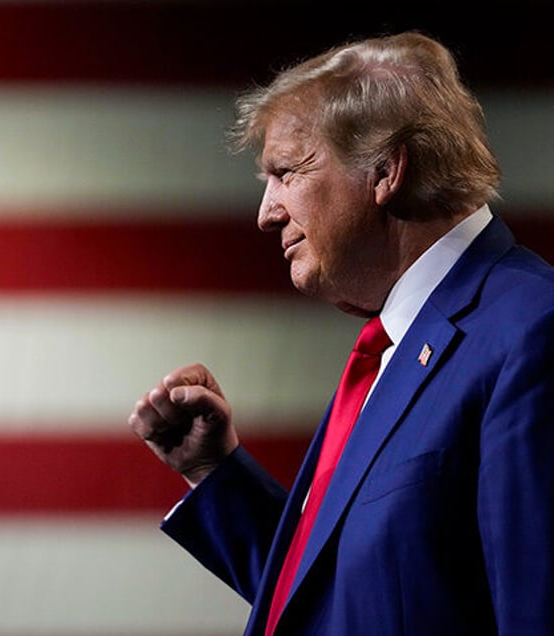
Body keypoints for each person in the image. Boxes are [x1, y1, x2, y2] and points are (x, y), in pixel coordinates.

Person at [128, 31, 554, 635]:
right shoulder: (399, 342)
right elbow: (356, 601)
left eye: (286, 172)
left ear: (386, 170)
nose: (265, 212)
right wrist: (216, 473)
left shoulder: (531, 333)